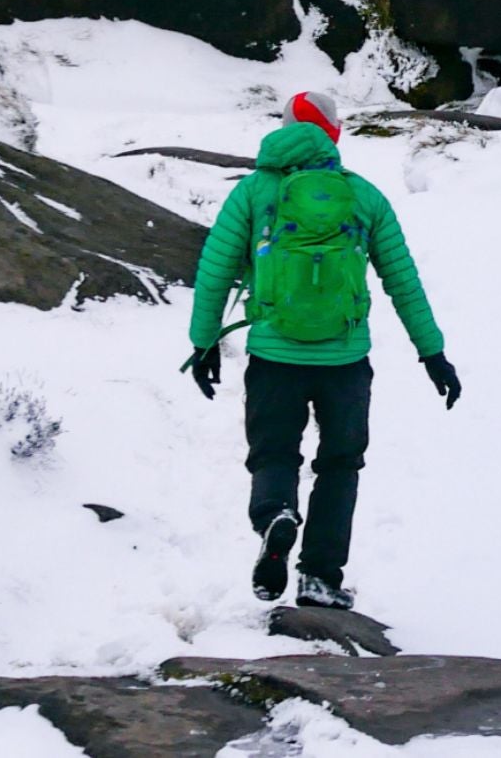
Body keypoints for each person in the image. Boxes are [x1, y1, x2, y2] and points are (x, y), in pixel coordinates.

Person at [180, 92, 460, 609]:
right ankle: (320, 578)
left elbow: (214, 274)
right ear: (333, 134)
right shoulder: (363, 197)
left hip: (273, 356)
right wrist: (432, 353)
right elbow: (403, 280)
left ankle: (275, 516)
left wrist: (204, 344)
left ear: (283, 131)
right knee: (340, 464)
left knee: (274, 453)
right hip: (345, 361)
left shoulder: (251, 194)